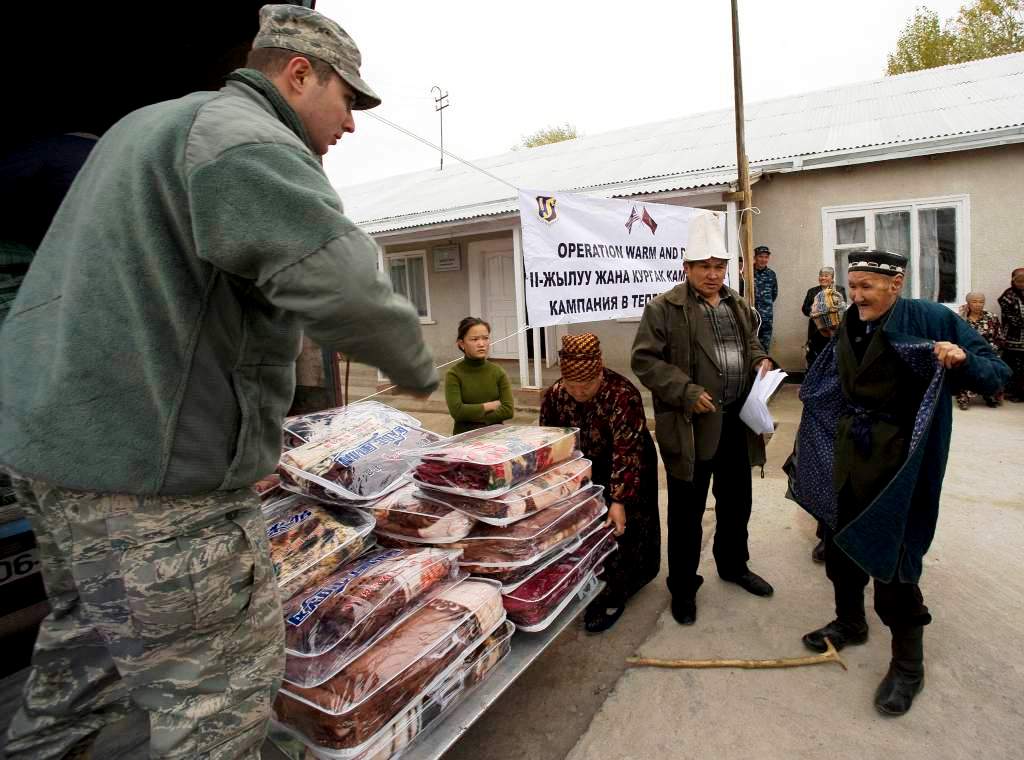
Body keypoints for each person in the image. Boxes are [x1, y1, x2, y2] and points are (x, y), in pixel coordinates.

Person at [0, 6, 438, 758]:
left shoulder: (142, 129)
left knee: (87, 653)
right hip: (150, 483)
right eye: (348, 101)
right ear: (298, 74)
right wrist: (417, 367)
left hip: (56, 462)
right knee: (220, 696)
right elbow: (341, 285)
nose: (353, 125)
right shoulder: (245, 135)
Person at [790, 250, 1009, 717]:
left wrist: (961, 359)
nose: (857, 295)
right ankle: (850, 623)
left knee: (895, 565)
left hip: (902, 466)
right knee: (841, 549)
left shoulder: (930, 318)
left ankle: (908, 666)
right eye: (853, 286)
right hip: (848, 455)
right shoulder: (849, 321)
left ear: (896, 283)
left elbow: (996, 372)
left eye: (867, 286)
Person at [632, 212, 775, 627]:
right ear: (687, 268)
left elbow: (751, 344)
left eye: (719, 267)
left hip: (736, 421)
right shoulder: (664, 309)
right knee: (687, 510)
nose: (713, 275)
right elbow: (644, 361)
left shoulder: (738, 305)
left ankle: (733, 566)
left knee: (737, 503)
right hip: (692, 427)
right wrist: (687, 392)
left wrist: (762, 360)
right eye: (704, 267)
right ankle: (682, 586)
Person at [540, 334, 661, 633]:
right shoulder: (556, 395)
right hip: (585, 468)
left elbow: (627, 450)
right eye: (573, 386)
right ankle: (587, 580)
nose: (580, 392)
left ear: (600, 371)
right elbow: (550, 443)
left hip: (630, 467)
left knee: (626, 528)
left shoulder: (622, 393)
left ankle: (619, 590)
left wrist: (618, 500)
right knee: (586, 527)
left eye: (587, 386)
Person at [445, 316, 515, 435]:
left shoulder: (498, 372)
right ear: (462, 344)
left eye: (485, 338)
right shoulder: (454, 374)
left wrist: (472, 416)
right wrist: (488, 406)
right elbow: (457, 412)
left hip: (496, 438)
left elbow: (508, 410)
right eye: (474, 339)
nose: (481, 344)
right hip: (464, 440)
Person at [956, 292, 1003, 409]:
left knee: (991, 366)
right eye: (974, 302)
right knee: (966, 367)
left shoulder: (991, 317)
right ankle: (963, 398)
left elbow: (999, 337)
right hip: (968, 351)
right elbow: (955, 336)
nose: (978, 305)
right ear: (968, 303)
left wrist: (992, 350)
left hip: (988, 351)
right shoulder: (961, 318)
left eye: (981, 302)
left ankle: (990, 396)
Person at [802, 267, 847, 369]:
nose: (823, 278)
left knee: (833, 355)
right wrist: (815, 311)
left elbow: (842, 308)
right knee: (814, 356)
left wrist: (828, 309)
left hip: (833, 329)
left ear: (832, 278)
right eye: (821, 275)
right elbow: (805, 309)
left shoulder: (839, 290)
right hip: (816, 329)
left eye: (826, 276)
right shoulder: (812, 291)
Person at [998, 267, 1024, 402]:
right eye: (1019, 281)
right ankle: (1015, 392)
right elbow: (1012, 318)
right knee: (1014, 365)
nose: (1022, 284)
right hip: (1013, 337)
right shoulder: (1008, 296)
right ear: (1013, 281)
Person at [753, 244, 779, 350]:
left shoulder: (771, 274)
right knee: (752, 344)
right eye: (760, 256)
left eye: (766, 257)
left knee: (765, 345)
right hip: (751, 314)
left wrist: (765, 305)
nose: (763, 259)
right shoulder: (748, 273)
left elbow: (774, 293)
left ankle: (764, 366)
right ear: (755, 257)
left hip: (766, 316)